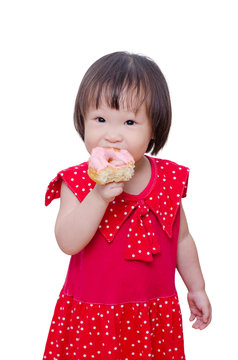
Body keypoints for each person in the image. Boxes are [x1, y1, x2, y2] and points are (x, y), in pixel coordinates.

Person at [42, 51, 212, 360]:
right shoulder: (78, 181)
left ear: (154, 130)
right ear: (83, 121)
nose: (112, 134)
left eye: (130, 121)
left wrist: (196, 287)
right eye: (100, 119)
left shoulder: (168, 179)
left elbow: (182, 238)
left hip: (151, 319)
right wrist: (98, 196)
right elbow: (67, 241)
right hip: (94, 321)